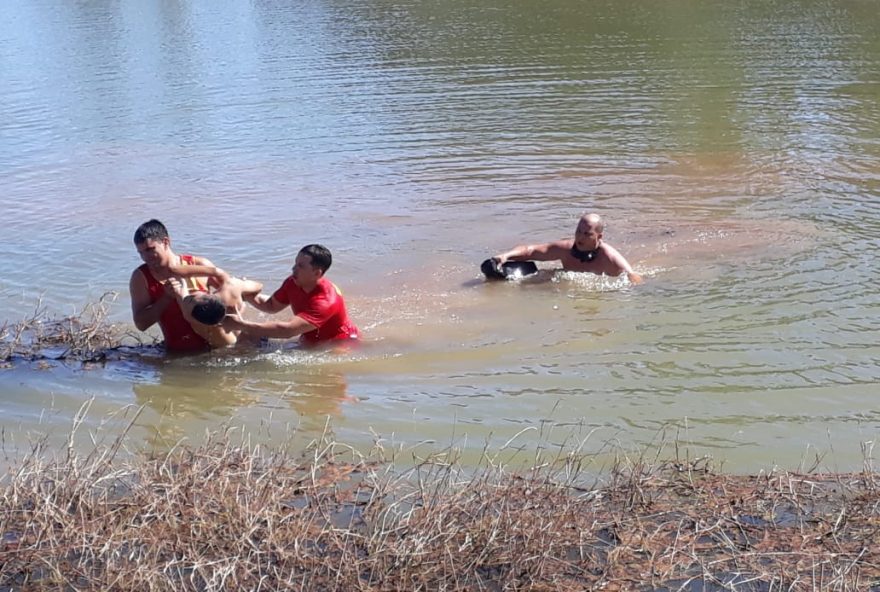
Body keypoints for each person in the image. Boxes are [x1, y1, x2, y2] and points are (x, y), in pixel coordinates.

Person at [223, 244, 359, 347]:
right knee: (248, 338)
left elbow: (288, 330)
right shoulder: (293, 282)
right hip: (308, 337)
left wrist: (240, 324)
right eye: (295, 263)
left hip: (337, 344)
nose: (293, 269)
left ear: (317, 273)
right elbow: (271, 305)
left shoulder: (325, 301)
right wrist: (243, 292)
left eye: (300, 266)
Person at [129, 219, 217, 352]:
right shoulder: (141, 278)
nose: (146, 257)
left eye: (150, 250)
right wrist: (166, 298)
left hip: (215, 350)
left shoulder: (199, 266)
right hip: (177, 355)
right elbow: (141, 324)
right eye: (141, 253)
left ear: (166, 242)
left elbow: (230, 297)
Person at [492, 212, 643, 284]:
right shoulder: (565, 249)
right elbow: (530, 251)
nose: (579, 237)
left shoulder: (610, 259)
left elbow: (634, 277)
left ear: (599, 237)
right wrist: (506, 256)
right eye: (578, 231)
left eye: (586, 234)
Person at [165, 264, 263, 348]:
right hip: (255, 341)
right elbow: (259, 286)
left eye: (191, 298)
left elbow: (178, 281)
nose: (187, 298)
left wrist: (173, 269)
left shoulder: (189, 315)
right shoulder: (232, 287)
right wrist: (243, 290)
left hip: (231, 350)